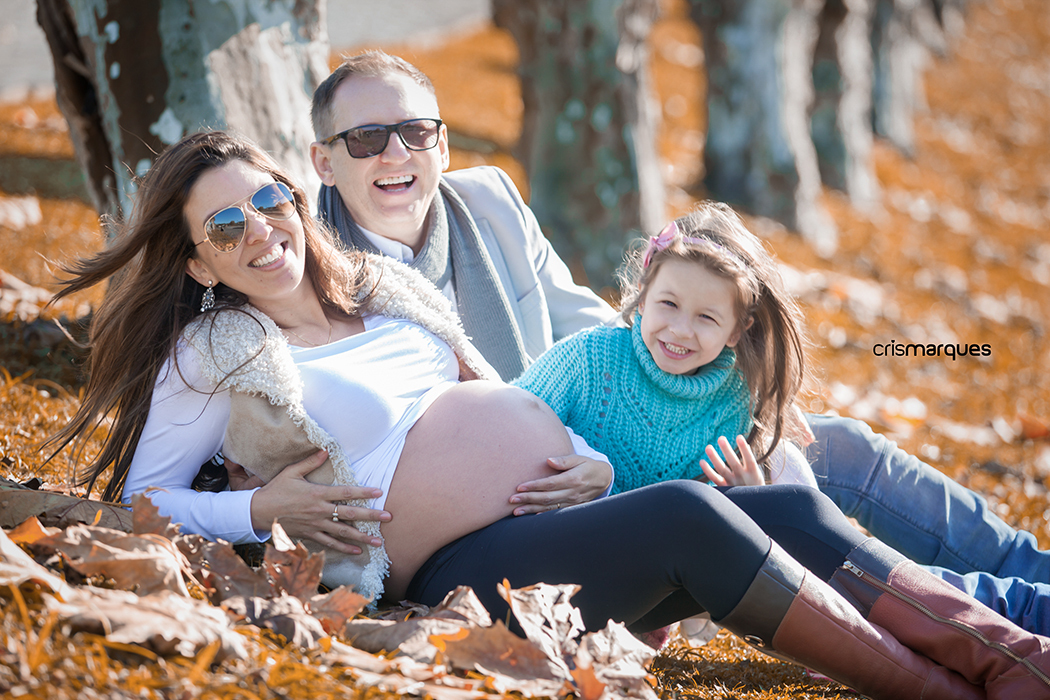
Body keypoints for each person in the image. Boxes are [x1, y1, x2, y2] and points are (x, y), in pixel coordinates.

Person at [43, 130, 1050, 699]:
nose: (261, 230)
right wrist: (263, 513)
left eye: (269, 201)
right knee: (691, 517)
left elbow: (501, 399)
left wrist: (588, 462)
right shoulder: (212, 352)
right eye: (227, 224)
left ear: (294, 200)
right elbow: (142, 503)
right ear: (197, 261)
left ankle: (1013, 658)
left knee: (777, 507)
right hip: (443, 577)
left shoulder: (385, 293)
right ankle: (957, 691)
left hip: (557, 524)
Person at [309, 48, 1050, 587]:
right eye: (366, 138)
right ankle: (989, 613)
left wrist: (725, 394)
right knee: (777, 516)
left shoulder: (488, 201)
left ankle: (1030, 574)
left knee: (830, 446)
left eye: (416, 131)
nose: (395, 153)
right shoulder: (311, 279)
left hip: (611, 431)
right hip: (519, 504)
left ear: (440, 141)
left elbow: (584, 319)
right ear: (323, 161)